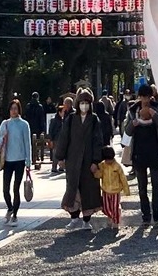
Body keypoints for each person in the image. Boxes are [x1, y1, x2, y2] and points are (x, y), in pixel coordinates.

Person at [54, 87, 103, 231]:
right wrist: (60, 157)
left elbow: (98, 141)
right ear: (77, 104)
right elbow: (64, 138)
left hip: (88, 160)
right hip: (73, 159)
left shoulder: (94, 119)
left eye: (87, 103)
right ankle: (74, 217)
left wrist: (95, 161)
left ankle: (87, 220)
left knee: (88, 190)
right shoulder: (71, 119)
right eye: (82, 103)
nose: (84, 106)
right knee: (72, 188)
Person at [124, 92, 158, 227]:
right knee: (142, 187)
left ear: (150, 97)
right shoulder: (133, 110)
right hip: (139, 154)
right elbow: (127, 131)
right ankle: (146, 217)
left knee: (156, 185)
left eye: (147, 97)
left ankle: (157, 216)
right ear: (140, 97)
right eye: (143, 97)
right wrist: (133, 123)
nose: (145, 100)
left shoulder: (156, 108)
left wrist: (154, 115)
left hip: (155, 152)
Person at [0, 99, 32, 222]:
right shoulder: (5, 124)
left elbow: (27, 143)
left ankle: (15, 213)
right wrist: (3, 139)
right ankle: (10, 208)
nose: (13, 111)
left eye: (15, 108)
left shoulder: (24, 124)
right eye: (11, 109)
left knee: (16, 188)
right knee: (5, 189)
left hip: (20, 160)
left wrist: (28, 161)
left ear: (19, 110)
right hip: (8, 160)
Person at [96, 146, 129, 230]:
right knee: (106, 208)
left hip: (116, 190)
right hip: (105, 190)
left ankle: (116, 222)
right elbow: (99, 175)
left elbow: (123, 178)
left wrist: (126, 190)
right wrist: (95, 172)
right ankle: (111, 216)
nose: (108, 161)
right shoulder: (102, 165)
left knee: (114, 207)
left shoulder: (117, 166)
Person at [47, 97, 71, 174]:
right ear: (59, 112)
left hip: (62, 138)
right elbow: (51, 130)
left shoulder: (63, 119)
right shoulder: (54, 120)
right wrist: (51, 139)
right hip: (56, 139)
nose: (64, 113)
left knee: (63, 152)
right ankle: (54, 167)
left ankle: (61, 167)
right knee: (56, 153)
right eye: (63, 111)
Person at [25, 92, 46, 170]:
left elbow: (26, 116)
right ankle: (36, 156)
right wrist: (43, 129)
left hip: (29, 126)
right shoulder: (39, 106)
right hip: (37, 127)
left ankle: (31, 157)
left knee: (30, 142)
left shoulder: (28, 106)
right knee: (37, 143)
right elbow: (42, 119)